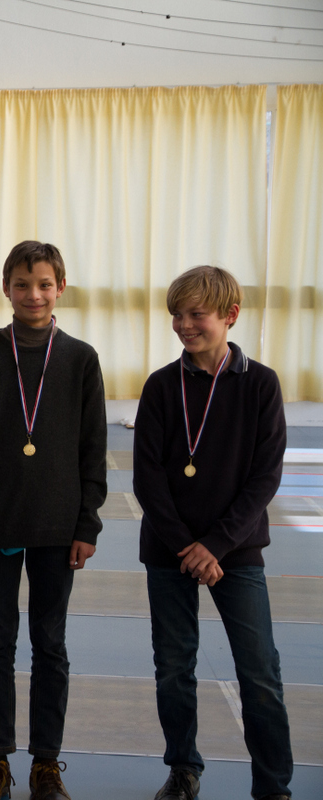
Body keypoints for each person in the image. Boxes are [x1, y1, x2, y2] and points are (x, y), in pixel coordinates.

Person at [0, 241, 107, 800]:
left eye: (43, 284)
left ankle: (46, 763)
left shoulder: (81, 359)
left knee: (50, 645)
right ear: (6, 289)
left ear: (60, 288)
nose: (33, 294)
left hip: (57, 531)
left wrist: (87, 526)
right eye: (22, 284)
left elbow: (93, 449)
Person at [133, 265, 293, 800]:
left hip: (236, 552)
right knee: (173, 669)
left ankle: (272, 786)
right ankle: (183, 769)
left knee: (260, 673)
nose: (183, 325)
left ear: (230, 315)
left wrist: (215, 545)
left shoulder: (261, 384)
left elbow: (264, 478)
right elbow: (147, 478)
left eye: (196, 314)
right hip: (170, 550)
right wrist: (187, 545)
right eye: (176, 314)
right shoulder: (161, 386)